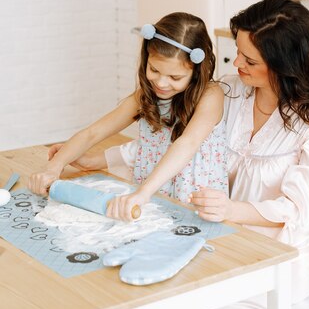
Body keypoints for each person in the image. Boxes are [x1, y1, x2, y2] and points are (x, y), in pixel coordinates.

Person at [125, 0, 309, 309]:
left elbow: (296, 209)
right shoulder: (231, 91)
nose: (237, 63)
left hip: (281, 256)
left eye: (250, 59)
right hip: (216, 238)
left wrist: (233, 210)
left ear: (283, 64)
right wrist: (98, 159)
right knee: (143, 303)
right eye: (237, 52)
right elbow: (182, 143)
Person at [28, 12, 227, 219]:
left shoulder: (211, 95)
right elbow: (93, 133)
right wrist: (54, 167)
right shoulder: (146, 96)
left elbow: (187, 143)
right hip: (152, 198)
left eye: (175, 77)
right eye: (154, 70)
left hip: (196, 204)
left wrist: (142, 193)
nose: (161, 83)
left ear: (196, 70)